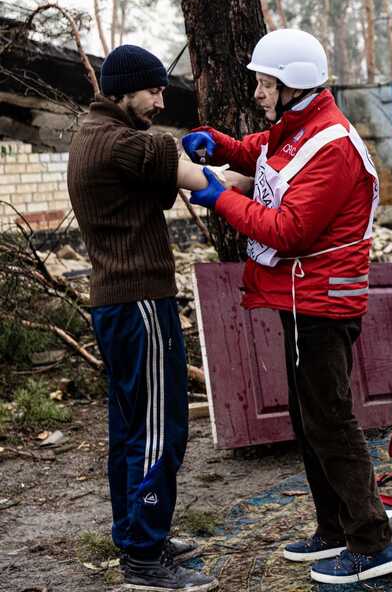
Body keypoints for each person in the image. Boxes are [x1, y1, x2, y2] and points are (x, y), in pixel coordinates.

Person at [181, 29, 392, 586]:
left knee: (330, 420)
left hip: (323, 301)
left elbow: (289, 230)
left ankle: (371, 543)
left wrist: (221, 197)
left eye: (265, 83)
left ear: (292, 85)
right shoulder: (301, 127)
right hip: (306, 296)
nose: (257, 92)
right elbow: (263, 150)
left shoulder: (331, 146)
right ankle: (334, 528)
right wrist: (220, 145)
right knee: (309, 420)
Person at [67, 45, 222, 591]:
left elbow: (161, 184)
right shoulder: (123, 143)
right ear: (123, 91)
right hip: (140, 303)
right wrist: (262, 182)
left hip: (117, 303)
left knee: (131, 429)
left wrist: (180, 156)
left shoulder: (94, 134)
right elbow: (204, 181)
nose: (161, 101)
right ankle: (144, 556)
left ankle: (135, 533)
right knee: (161, 429)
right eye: (153, 91)